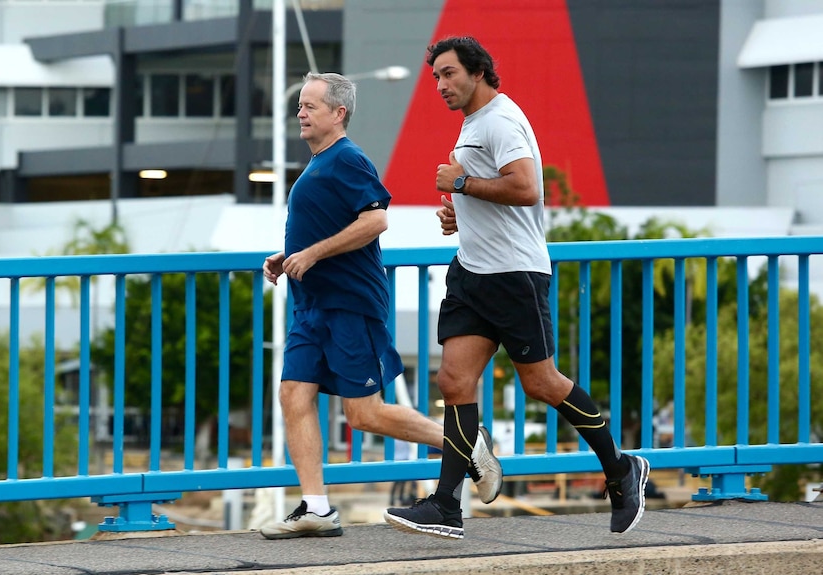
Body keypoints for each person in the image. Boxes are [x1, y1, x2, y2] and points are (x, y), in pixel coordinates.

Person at [383, 37, 650, 539]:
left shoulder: (501, 120)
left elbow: (526, 187)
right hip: (472, 273)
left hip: (513, 277)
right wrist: (459, 212)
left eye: (449, 74)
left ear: (478, 71)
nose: (440, 85)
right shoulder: (474, 124)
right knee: (454, 382)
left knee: (542, 383)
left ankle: (620, 470)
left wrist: (460, 186)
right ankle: (445, 505)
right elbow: (491, 190)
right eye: (436, 76)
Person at [259, 72, 503, 540]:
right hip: (311, 307)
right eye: (300, 106)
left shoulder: (348, 159)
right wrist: (289, 255)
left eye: (310, 106)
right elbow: (325, 228)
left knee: (365, 414)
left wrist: (312, 254)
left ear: (339, 113)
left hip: (350, 306)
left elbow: (376, 219)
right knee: (293, 394)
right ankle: (316, 508)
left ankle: (467, 442)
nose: (301, 113)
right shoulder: (318, 164)